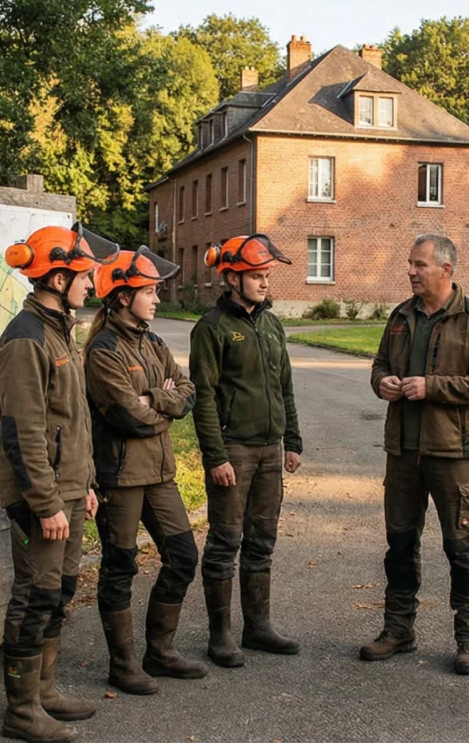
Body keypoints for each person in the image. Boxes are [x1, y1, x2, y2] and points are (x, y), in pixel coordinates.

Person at [0, 222, 119, 743]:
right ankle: (21, 711)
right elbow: (22, 433)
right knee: (35, 595)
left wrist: (84, 483)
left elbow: (72, 420)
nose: (91, 285)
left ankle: (44, 691)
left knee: (60, 591)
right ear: (59, 277)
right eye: (85, 276)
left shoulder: (58, 330)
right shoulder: (25, 339)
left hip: (67, 491)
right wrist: (45, 504)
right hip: (40, 498)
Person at [360, 233, 469, 675]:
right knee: (400, 544)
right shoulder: (400, 317)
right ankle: (398, 629)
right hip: (402, 450)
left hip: (452, 452)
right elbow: (380, 365)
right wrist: (383, 383)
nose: (411, 271)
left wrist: (432, 387)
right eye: (410, 263)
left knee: (460, 547)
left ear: (446, 269)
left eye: (419, 264)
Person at [83, 247, 203, 694]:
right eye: (149, 291)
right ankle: (123, 665)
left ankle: (160, 651)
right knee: (120, 566)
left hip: (159, 473)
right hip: (120, 477)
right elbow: (127, 417)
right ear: (122, 296)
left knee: (183, 557)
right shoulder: (103, 350)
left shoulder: (152, 342)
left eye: (155, 291)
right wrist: (161, 405)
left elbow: (187, 392)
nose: (157, 298)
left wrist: (154, 398)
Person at [189, 234, 303, 667]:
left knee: (262, 541)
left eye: (266, 275)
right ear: (232, 278)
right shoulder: (212, 327)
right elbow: (204, 397)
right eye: (256, 275)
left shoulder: (272, 324)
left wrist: (292, 441)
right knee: (225, 542)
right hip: (233, 450)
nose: (264, 282)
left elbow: (284, 386)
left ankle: (257, 628)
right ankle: (220, 637)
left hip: (270, 450)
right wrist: (215, 456)